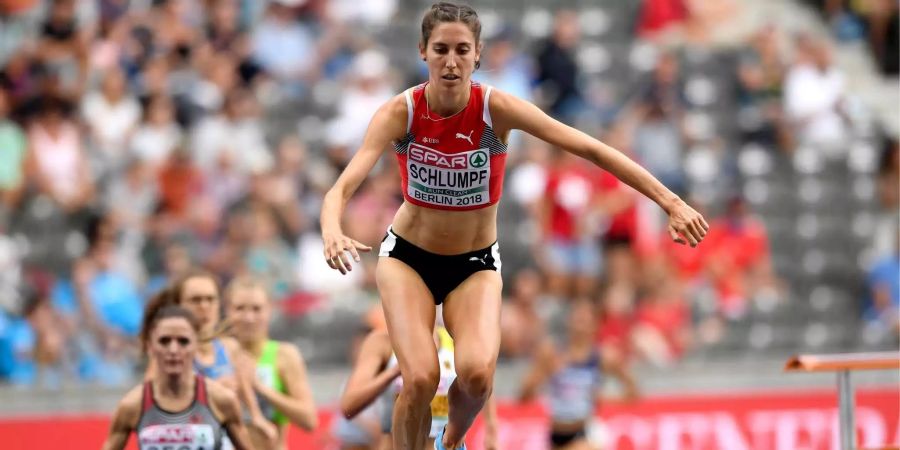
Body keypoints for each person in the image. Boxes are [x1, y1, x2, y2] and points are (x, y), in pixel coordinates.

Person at [319, 3, 708, 449]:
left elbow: (591, 149)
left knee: (478, 376)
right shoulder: (401, 112)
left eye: (462, 50)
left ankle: (450, 444)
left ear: (478, 54)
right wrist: (332, 228)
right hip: (409, 257)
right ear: (422, 51)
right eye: (441, 49)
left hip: (474, 262)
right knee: (422, 376)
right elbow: (341, 188)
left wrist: (671, 202)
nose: (451, 61)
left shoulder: (494, 109)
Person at [148, 272, 278, 445]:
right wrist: (211, 390)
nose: (204, 306)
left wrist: (257, 417)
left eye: (211, 299)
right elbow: (150, 407)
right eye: (196, 300)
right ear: (179, 304)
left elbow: (245, 388)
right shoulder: (170, 352)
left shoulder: (229, 347)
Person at [102, 302, 253, 450]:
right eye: (164, 341)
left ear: (196, 345)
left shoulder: (220, 400)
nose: (173, 350)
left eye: (183, 341)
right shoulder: (133, 405)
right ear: (150, 346)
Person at [339, 320, 497, 450]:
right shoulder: (383, 342)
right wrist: (393, 372)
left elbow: (480, 381)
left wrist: (491, 430)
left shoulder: (455, 341)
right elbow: (349, 404)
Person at [519, 300, 638, 450]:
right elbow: (524, 395)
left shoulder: (602, 356)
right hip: (556, 432)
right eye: (576, 316)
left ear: (595, 325)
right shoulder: (552, 353)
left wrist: (606, 399)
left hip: (585, 431)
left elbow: (633, 391)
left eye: (585, 318)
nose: (579, 322)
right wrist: (545, 372)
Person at [225, 276, 319, 450]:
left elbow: (309, 420)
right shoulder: (217, 354)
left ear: (269, 310)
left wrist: (260, 387)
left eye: (256, 309)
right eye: (239, 309)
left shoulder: (284, 355)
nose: (249, 317)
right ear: (227, 311)